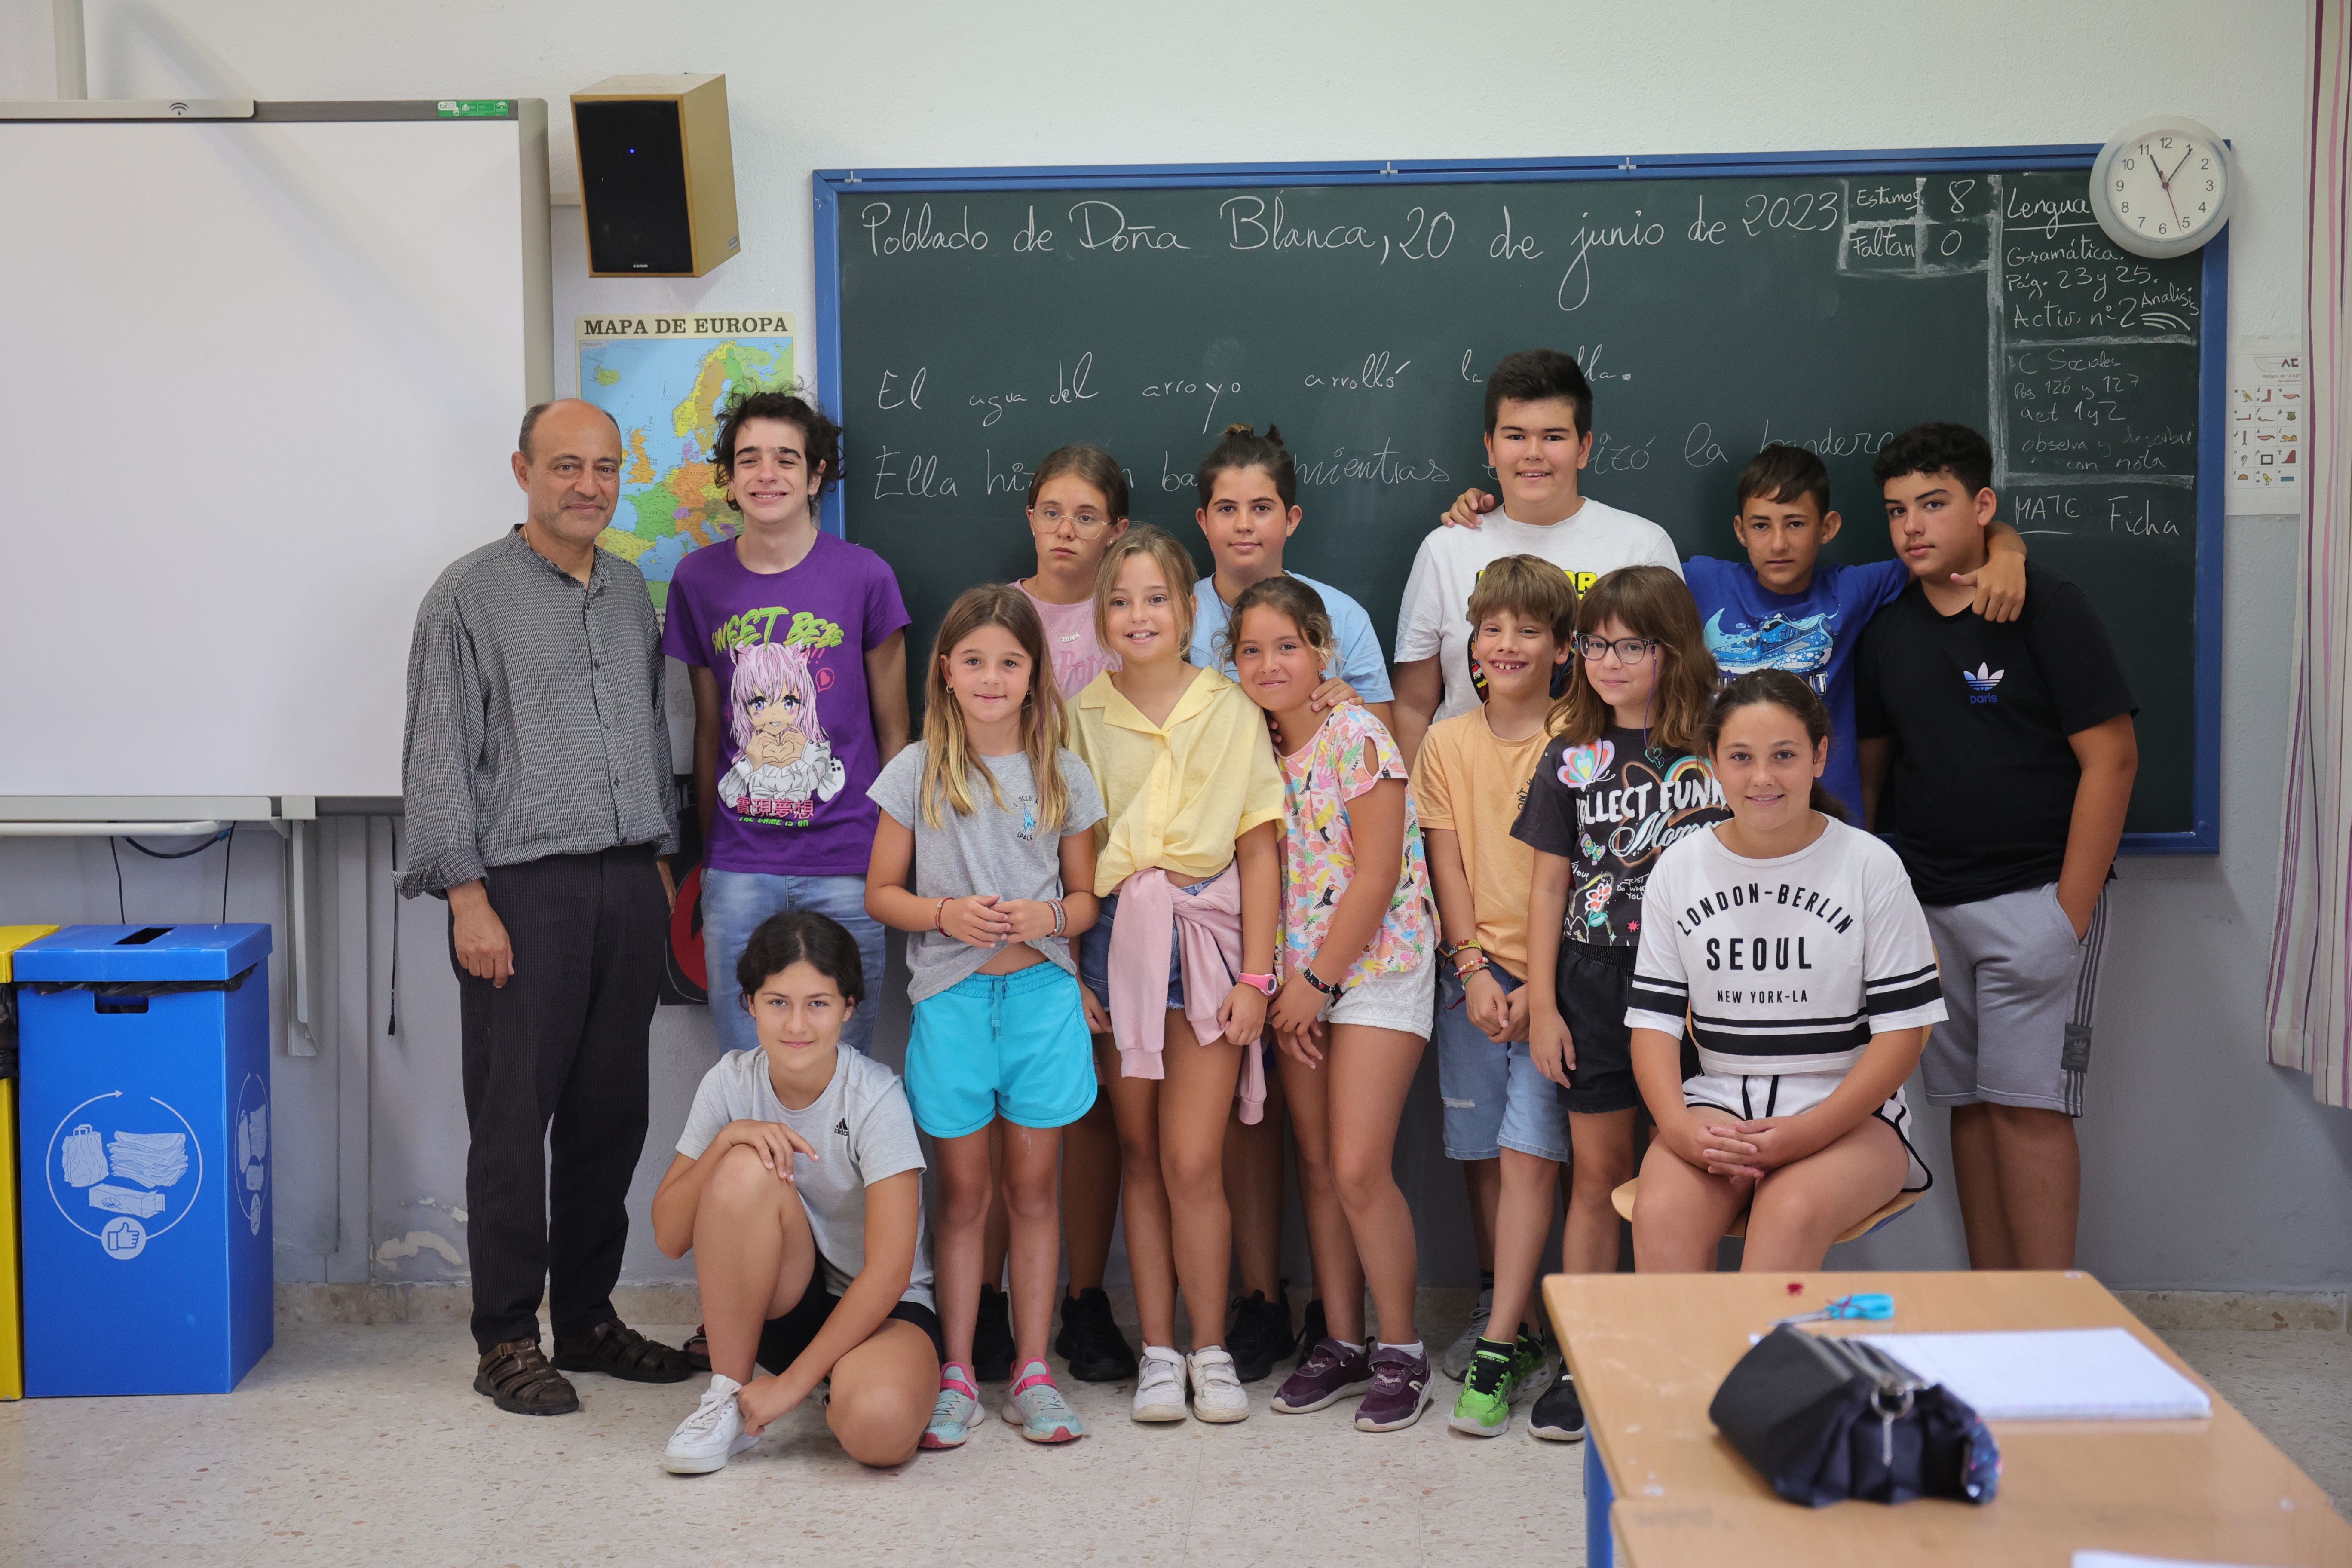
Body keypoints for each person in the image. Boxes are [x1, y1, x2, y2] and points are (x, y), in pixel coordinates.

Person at [400, 397, 692, 1416]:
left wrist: (658, 865)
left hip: (626, 883)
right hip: (521, 890)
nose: (588, 485)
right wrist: (465, 898)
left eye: (606, 467)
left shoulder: (627, 592)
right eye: (566, 465)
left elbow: (653, 739)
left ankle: (591, 1317)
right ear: (521, 470)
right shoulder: (468, 597)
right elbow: (437, 756)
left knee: (612, 1117)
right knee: (513, 1122)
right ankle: (507, 1338)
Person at [1856, 423, 2138, 1271]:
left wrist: (2069, 913)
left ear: (1983, 507)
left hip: (2037, 898)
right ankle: (1993, 1305)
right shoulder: (1885, 631)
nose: (1913, 525)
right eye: (1898, 510)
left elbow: (2113, 758)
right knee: (1969, 1108)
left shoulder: (2047, 605)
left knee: (2032, 1109)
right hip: (1933, 910)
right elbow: (1876, 782)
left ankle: (2049, 1315)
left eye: (1934, 504)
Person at [1443, 443, 2031, 819]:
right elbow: (1615, 607)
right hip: (1710, 809)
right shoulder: (1698, 580)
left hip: (1826, 813)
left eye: (1796, 525)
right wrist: (1481, 509)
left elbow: (1939, 548)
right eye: (1762, 525)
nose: (1778, 543)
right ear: (1739, 529)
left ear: (1828, 528)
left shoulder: (1857, 588)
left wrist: (2007, 547)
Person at [864, 586, 1104, 1448]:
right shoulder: (916, 769)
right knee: (964, 1199)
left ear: (1036, 673)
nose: (993, 677)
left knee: (1034, 1193)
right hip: (953, 1005)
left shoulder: (1063, 771)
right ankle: (958, 1372)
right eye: (975, 661)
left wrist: (1053, 919)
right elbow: (880, 893)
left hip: (1041, 1004)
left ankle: (1033, 1371)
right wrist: (943, 915)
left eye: (1010, 661)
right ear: (946, 671)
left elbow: (1084, 899)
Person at [1502, 564, 1732, 1441]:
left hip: (1704, 993)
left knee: (1694, 1176)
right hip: (1594, 984)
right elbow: (1548, 887)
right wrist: (1547, 1002)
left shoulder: (1720, 747)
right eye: (1595, 644)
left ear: (1671, 651)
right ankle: (1586, 1358)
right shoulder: (1571, 757)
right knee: (1597, 1177)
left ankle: (1684, 1352)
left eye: (1629, 645)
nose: (1607, 660)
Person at [1070, 526, 1284, 1424]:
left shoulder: (1229, 708)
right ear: (1101, 617)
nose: (1137, 615)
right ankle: (1157, 1349)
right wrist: (1067, 967)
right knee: (1139, 1154)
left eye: (1155, 598)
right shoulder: (1081, 714)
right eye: (1120, 601)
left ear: (1191, 611)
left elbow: (1260, 848)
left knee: (1196, 1158)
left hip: (1207, 940)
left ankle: (1211, 1346)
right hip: (1117, 938)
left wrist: (1257, 975)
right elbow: (1071, 859)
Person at [1626, 671, 1945, 1272]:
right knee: (1664, 1211)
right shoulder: (1680, 866)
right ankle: (1688, 1371)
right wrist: (1676, 1127)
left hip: (1851, 1116)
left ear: (1820, 755)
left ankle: (1763, 1368)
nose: (1763, 777)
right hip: (1718, 1105)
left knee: (1789, 1208)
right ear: (1713, 763)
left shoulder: (1870, 865)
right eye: (1741, 757)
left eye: (1785, 755)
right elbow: (1654, 1023)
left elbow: (1903, 1036)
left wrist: (1813, 1131)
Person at [1189, 423, 1384, 1381]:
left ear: (1291, 517)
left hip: (1326, 924)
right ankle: (1262, 1300)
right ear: (1202, 520)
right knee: (1245, 1118)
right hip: (1223, 907)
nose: (1243, 522)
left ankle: (1343, 1323)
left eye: (1261, 505)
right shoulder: (1170, 614)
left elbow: (1375, 742)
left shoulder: (1338, 615)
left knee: (1330, 1145)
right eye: (1226, 506)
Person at [1225, 577, 1439, 1431]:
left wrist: (1316, 984)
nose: (1270, 663)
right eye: (1251, 650)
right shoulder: (1253, 748)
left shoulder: (1357, 734)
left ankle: (1403, 1349)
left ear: (1322, 652)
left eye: (1287, 646)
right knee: (1316, 1167)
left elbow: (1379, 872)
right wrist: (1292, 986)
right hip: (1296, 986)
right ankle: (1341, 1342)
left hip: (1374, 970)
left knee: (1357, 1167)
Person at [663, 389, 910, 1067]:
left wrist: (893, 858)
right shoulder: (697, 580)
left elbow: (897, 737)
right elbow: (710, 731)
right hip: (740, 870)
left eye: (785, 459)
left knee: (840, 1069)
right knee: (746, 1068)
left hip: (849, 866)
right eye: (748, 459)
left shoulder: (866, 577)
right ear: (731, 477)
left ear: (816, 475)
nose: (766, 474)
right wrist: (717, 856)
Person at [652, 911, 940, 1473]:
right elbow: (669, 1236)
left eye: (819, 1003)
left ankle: (840, 1388)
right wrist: (729, 1140)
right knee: (741, 1166)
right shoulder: (731, 1081)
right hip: (785, 1310)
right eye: (778, 1001)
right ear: (750, 1005)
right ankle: (729, 1397)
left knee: (878, 1431)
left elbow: (889, 1272)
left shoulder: (876, 1099)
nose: (797, 1025)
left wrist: (791, 1386)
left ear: (849, 1008)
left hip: (883, 1313)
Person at [1406, 555, 1576, 1387]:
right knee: (1481, 1149)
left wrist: (1534, 990)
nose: (1507, 645)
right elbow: (1448, 866)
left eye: (1529, 630)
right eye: (1493, 628)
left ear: (1562, 646)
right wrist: (1472, 968)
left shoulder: (1580, 736)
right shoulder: (1446, 739)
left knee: (1532, 1151)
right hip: (1470, 975)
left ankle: (1532, 1321)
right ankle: (1504, 1311)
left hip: (1556, 978)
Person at [1391, 348, 1681, 768]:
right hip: (1467, 796)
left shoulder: (1643, 547)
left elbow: (1674, 693)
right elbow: (1415, 705)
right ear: (1490, 447)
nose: (1533, 453)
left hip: (1602, 800)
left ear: (1583, 447)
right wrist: (1418, 818)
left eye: (1553, 436)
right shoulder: (1446, 548)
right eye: (1515, 436)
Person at [1015, 445, 1139, 1387]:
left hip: (1119, 886)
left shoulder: (1138, 618)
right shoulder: (1002, 615)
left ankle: (1086, 1298)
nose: (1067, 530)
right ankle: (996, 1301)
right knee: (1008, 1097)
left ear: (1118, 531)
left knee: (1092, 1100)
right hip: (1011, 890)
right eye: (1051, 511)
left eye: (1086, 515)